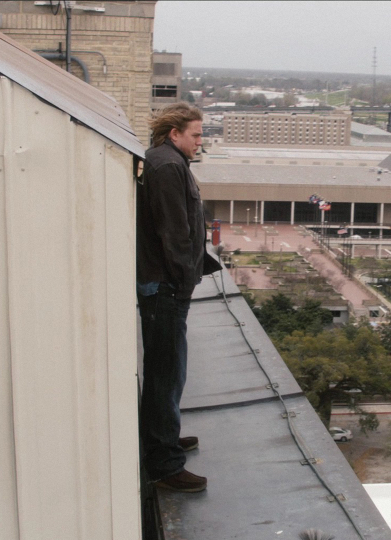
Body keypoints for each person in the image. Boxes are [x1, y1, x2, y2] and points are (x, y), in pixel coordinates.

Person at [137, 102, 219, 492]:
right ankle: (165, 464)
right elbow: (175, 233)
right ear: (175, 134)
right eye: (196, 135)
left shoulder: (165, 161)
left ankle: (163, 438)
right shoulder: (168, 166)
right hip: (165, 286)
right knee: (166, 373)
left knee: (168, 370)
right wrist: (185, 282)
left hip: (164, 283)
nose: (200, 142)